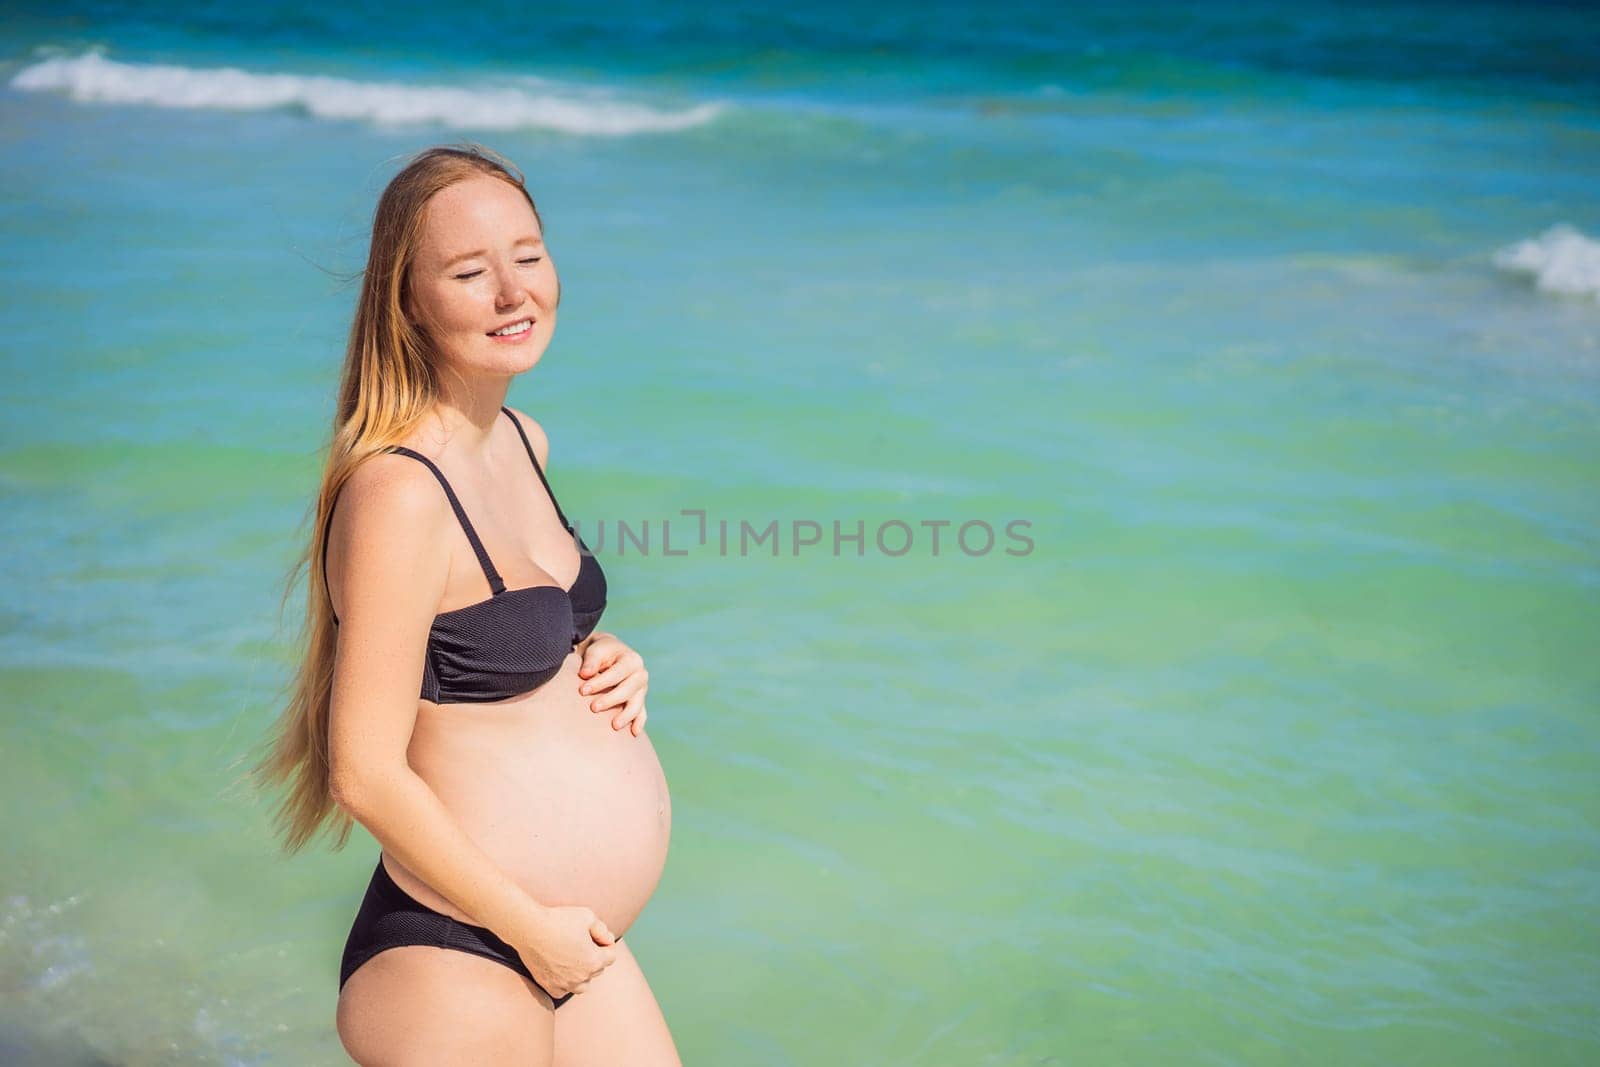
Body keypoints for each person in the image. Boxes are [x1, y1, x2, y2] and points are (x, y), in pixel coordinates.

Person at [253, 143, 678, 1065]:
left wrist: (607, 660)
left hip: (567, 947)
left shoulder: (523, 439)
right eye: (469, 271)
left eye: (528, 255)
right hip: (463, 952)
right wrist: (530, 928)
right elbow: (362, 770)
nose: (512, 292)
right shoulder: (398, 492)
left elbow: (514, 651)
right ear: (407, 300)